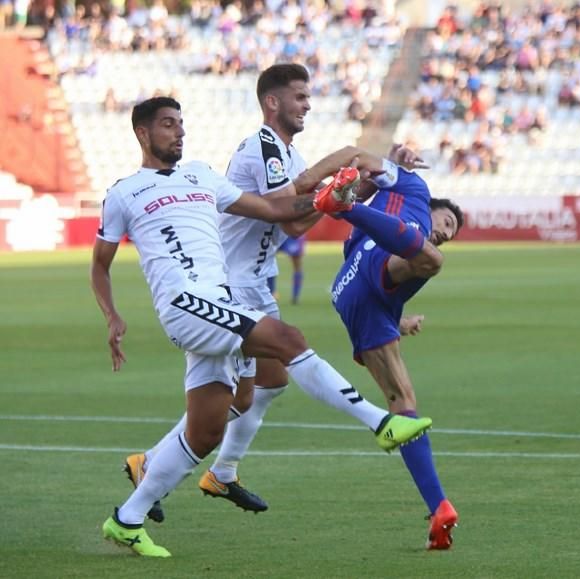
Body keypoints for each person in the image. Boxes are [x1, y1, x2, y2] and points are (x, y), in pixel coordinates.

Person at [91, 96, 433, 557]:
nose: (179, 132)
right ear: (143, 134)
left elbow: (274, 210)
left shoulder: (202, 175)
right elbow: (100, 264)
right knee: (288, 340)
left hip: (220, 298)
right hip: (185, 304)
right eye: (168, 125)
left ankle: (127, 519)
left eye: (180, 123)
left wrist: (328, 196)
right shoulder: (124, 192)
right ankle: (379, 423)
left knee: (207, 429)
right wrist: (112, 315)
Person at [123, 64, 388, 522]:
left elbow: (298, 220)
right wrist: (344, 157)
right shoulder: (261, 146)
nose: (307, 104)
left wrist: (351, 188)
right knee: (259, 376)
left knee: (264, 385)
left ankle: (208, 470)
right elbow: (284, 206)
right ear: (273, 102)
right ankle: (190, 469)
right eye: (300, 97)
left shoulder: (289, 155)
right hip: (231, 283)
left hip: (256, 278)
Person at [316, 149, 465, 550]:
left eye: (452, 232)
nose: (447, 232)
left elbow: (376, 293)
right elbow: (365, 157)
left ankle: (439, 509)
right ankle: (341, 206)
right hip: (367, 266)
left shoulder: (411, 240)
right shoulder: (413, 188)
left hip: (358, 297)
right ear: (431, 207)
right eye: (447, 222)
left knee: (404, 406)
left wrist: (399, 321)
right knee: (432, 260)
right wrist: (391, 157)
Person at [267, 234, 306, 305]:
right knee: (268, 259)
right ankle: (272, 292)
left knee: (297, 263)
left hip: (292, 232)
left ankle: (295, 297)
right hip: (276, 231)